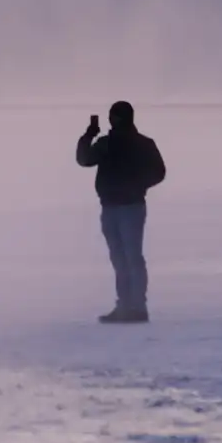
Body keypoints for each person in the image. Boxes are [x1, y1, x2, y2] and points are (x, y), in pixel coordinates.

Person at [76, 100, 166, 324]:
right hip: (113, 206)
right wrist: (89, 135)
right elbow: (84, 160)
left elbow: (159, 172)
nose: (111, 119)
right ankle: (126, 305)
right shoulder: (111, 143)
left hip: (130, 207)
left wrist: (137, 185)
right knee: (121, 258)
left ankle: (136, 307)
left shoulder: (135, 143)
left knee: (131, 257)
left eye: (114, 115)